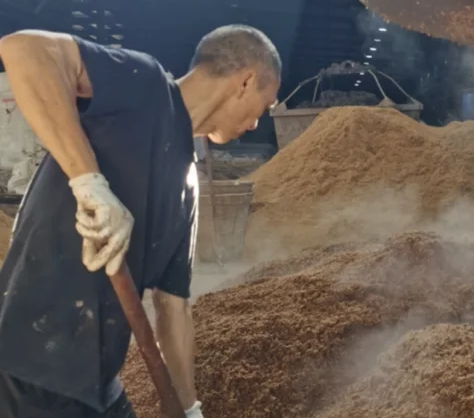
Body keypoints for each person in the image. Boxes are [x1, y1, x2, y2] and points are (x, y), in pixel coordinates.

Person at [0, 24, 281, 417]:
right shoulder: (145, 86)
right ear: (246, 81)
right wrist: (89, 182)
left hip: (95, 384)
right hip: (25, 366)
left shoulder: (187, 186)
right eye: (263, 108)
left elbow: (174, 311)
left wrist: (188, 408)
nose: (255, 125)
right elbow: (23, 49)